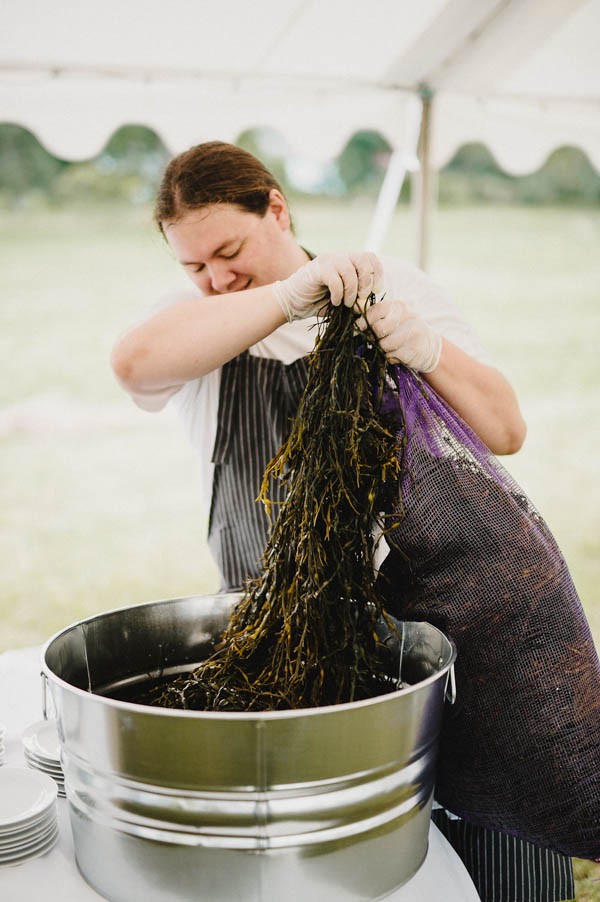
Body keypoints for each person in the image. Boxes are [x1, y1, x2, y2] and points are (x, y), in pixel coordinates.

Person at [111, 141, 574, 902]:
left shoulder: (389, 288)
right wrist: (287, 293)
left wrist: (425, 349)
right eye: (194, 267)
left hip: (411, 635)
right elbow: (133, 364)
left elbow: (504, 427)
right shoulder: (202, 323)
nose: (216, 278)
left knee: (492, 833)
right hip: (275, 652)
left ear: (278, 207)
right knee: (328, 868)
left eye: (229, 249)